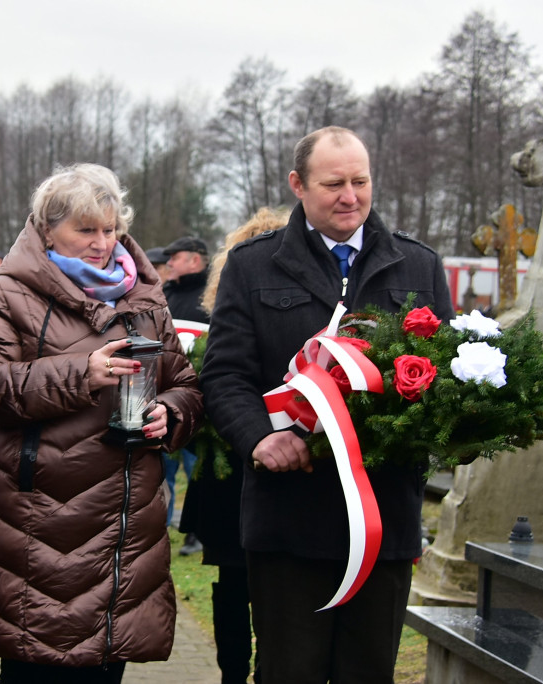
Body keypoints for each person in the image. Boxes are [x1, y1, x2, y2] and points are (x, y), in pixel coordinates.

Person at [200, 126, 454, 683]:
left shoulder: (418, 266)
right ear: (298, 184)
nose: (350, 197)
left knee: (367, 673)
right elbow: (225, 375)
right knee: (290, 672)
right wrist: (261, 439)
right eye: (333, 183)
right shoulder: (253, 265)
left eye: (360, 182)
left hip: (383, 518)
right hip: (289, 517)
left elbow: (443, 378)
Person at [0, 163, 203, 683]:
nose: (102, 243)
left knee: (104, 667)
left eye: (110, 229)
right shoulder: (3, 296)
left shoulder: (143, 297)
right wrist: (81, 372)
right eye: (86, 230)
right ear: (47, 229)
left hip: (126, 528)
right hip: (42, 523)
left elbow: (185, 381)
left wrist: (172, 411)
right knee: (36, 667)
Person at [180, 208, 288, 684]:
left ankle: (231, 674)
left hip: (226, 470)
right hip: (247, 463)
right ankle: (262, 669)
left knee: (232, 580)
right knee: (268, 584)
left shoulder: (231, 292)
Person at [161, 236, 211, 555]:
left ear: (195, 260)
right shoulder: (164, 294)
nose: (169, 263)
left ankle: (199, 529)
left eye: (174, 257)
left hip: (202, 397)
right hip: (163, 395)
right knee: (162, 467)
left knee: (198, 467)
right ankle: (159, 528)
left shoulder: (212, 295)